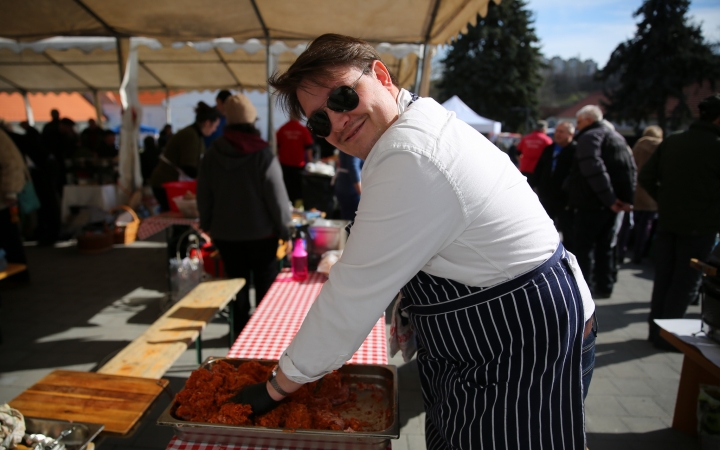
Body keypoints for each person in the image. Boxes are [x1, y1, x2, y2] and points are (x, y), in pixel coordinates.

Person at [234, 34, 596, 450]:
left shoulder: (411, 152)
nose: (336, 122)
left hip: (521, 339)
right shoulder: (413, 123)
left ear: (382, 76)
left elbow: (350, 298)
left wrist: (276, 388)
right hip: (494, 329)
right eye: (319, 121)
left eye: (343, 97)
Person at [197, 93, 291, 335]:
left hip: (226, 236)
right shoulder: (263, 154)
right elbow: (277, 199)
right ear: (252, 122)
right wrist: (285, 231)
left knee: (235, 288)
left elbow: (203, 194)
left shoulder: (212, 153)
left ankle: (238, 337)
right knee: (265, 290)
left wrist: (207, 225)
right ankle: (264, 338)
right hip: (262, 236)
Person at [640, 94, 720, 349]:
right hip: (700, 228)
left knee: (664, 279)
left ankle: (656, 332)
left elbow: (647, 177)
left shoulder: (674, 142)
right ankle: (666, 337)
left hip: (670, 221)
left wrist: (665, 202)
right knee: (684, 283)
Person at [568, 105, 635, 298]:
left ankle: (583, 289)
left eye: (579, 122)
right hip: (612, 206)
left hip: (593, 204)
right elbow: (630, 168)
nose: (577, 126)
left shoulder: (590, 137)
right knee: (606, 247)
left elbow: (594, 169)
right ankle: (604, 286)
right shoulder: (616, 136)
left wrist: (610, 199)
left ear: (589, 120)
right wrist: (624, 200)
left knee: (584, 248)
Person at [149, 102, 220, 211]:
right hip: (165, 183)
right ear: (207, 123)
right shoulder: (190, 136)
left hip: (171, 182)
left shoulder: (197, 136)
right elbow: (188, 167)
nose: (215, 130)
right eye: (215, 126)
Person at [531, 121, 577, 250]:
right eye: (557, 131)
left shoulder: (575, 150)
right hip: (546, 195)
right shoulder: (549, 149)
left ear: (570, 134)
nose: (558, 134)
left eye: (561, 132)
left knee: (567, 229)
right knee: (545, 228)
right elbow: (539, 169)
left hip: (564, 198)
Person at [0, 127, 30, 280]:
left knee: (9, 235)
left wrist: (10, 191)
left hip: (4, 198)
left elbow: (12, 164)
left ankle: (17, 275)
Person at [630, 126, 662, 264]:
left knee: (633, 222)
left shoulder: (638, 146)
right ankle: (640, 253)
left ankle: (626, 249)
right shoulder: (661, 148)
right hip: (651, 192)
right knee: (646, 225)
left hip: (636, 189)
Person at [276, 115, 315, 204]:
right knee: (297, 189)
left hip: (284, 163)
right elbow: (309, 147)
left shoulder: (283, 128)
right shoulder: (303, 129)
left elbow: (276, 146)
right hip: (298, 164)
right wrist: (311, 161)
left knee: (285, 187)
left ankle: (285, 204)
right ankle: (297, 208)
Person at [333, 150, 362, 220]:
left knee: (347, 219)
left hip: (345, 185)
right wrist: (361, 192)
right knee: (352, 220)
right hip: (351, 188)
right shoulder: (354, 144)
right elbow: (353, 166)